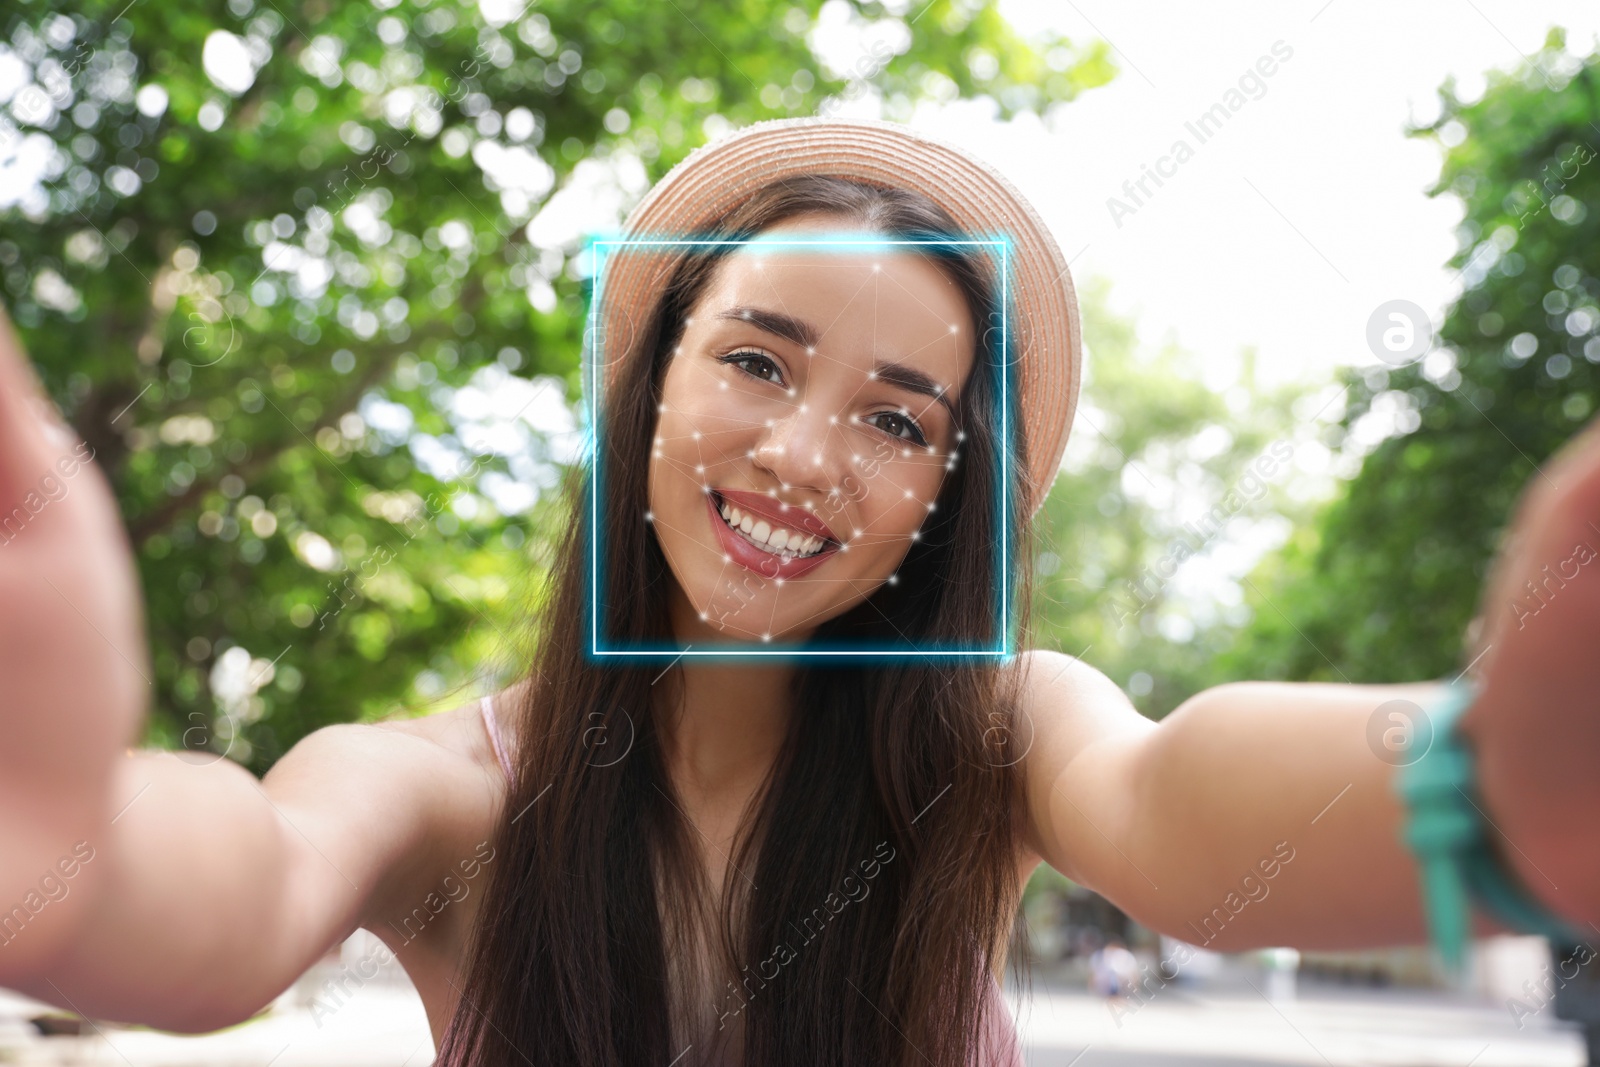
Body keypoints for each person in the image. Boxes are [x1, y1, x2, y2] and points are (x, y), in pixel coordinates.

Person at [1, 117, 1596, 1067]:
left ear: (945, 494)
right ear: (650, 386)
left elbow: (1180, 799)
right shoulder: (439, 793)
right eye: (757, 360)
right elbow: (235, 890)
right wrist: (53, 842)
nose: (804, 454)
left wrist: (1477, 794)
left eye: (899, 418)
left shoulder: (994, 741)